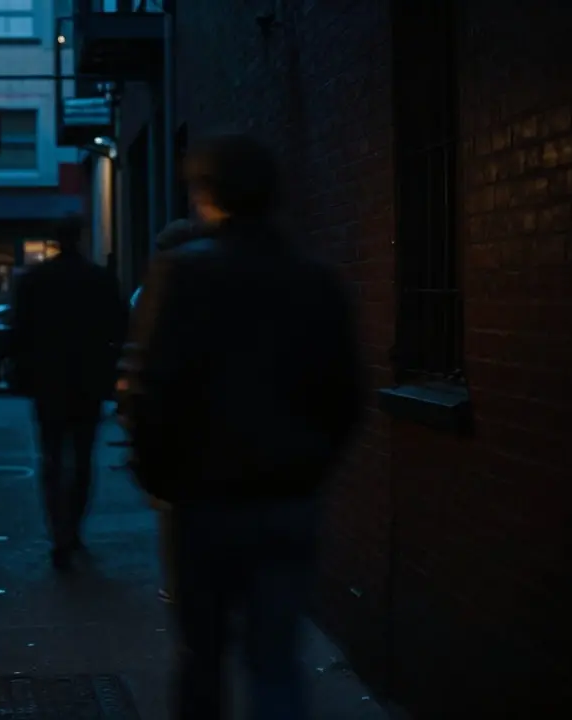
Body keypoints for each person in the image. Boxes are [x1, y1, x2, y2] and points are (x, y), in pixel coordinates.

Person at [125, 134, 364, 720]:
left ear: (208, 194)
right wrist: (311, 468)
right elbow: (346, 394)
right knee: (276, 662)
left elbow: (153, 389)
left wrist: (160, 477)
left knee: (201, 658)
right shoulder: (315, 279)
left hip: (202, 500)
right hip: (286, 496)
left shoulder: (183, 273)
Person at [8, 231, 129, 570]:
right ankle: (72, 528)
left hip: (48, 379)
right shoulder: (98, 279)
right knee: (82, 456)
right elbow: (118, 326)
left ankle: (58, 531)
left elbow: (20, 330)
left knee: (51, 456)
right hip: (87, 378)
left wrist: (21, 369)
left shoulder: (36, 280)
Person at [118, 218, 209, 605]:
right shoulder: (219, 287)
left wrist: (134, 422)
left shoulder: (150, 295)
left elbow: (139, 360)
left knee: (174, 514)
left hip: (174, 423)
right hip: (210, 424)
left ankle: (179, 586)